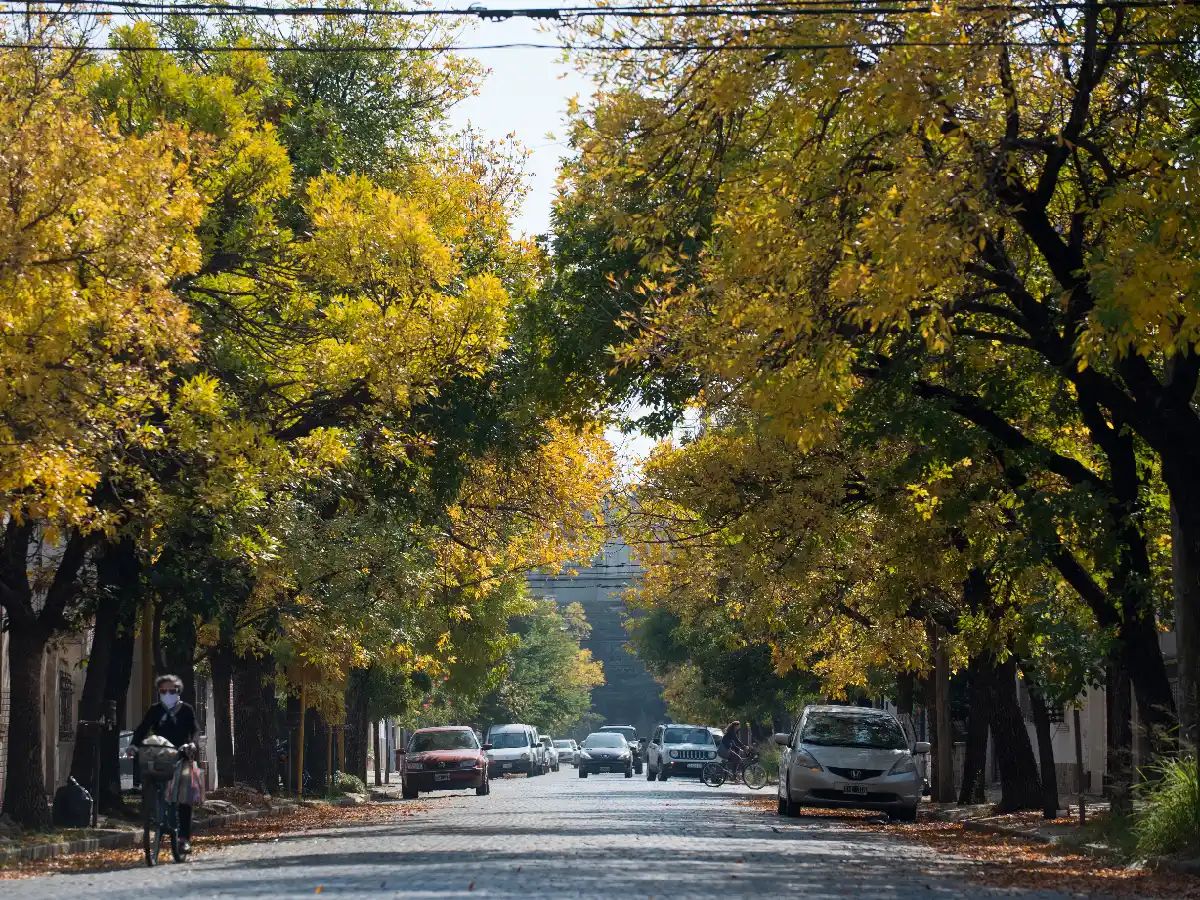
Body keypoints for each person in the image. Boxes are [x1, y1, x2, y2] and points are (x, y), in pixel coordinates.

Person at [131, 674, 198, 853]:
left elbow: (194, 730)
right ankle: (151, 815)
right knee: (150, 781)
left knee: (184, 795)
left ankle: (184, 838)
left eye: (172, 690)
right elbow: (142, 729)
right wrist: (133, 745)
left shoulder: (186, 710)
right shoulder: (155, 710)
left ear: (178, 691)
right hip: (159, 756)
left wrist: (192, 744)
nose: (167, 694)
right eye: (163, 691)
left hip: (181, 755)